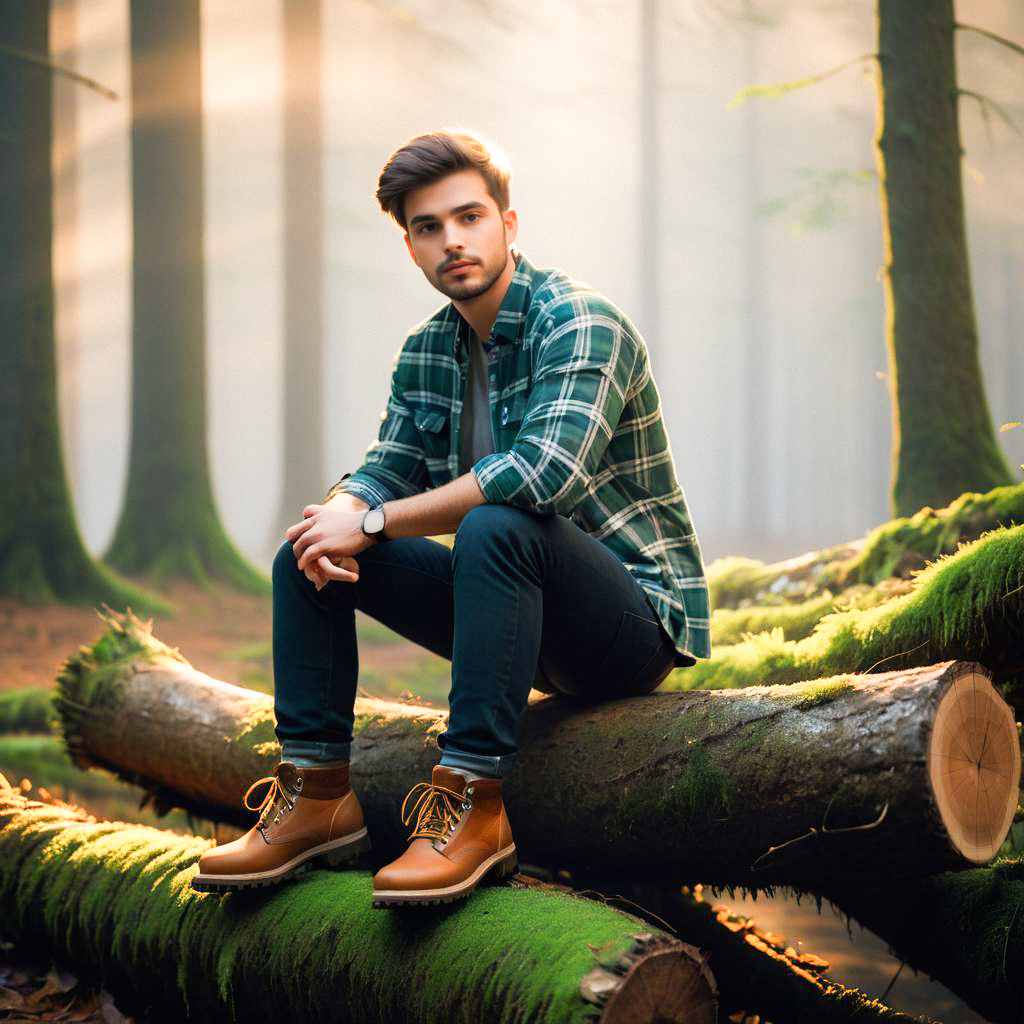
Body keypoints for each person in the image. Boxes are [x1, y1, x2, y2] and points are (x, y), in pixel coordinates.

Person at [192, 127, 711, 906]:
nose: (452, 241)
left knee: (498, 522)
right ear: (411, 248)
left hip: (629, 625)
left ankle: (474, 806)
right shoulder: (427, 352)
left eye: (468, 217)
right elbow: (383, 468)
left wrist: (370, 524)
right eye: (428, 228)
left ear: (508, 223)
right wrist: (339, 516)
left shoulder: (579, 321)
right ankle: (317, 796)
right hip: (515, 621)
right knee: (305, 549)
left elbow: (541, 477)